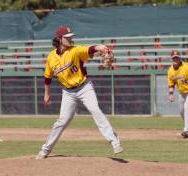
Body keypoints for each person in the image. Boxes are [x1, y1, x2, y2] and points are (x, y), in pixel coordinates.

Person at [36, 26, 123, 159]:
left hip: (84, 88)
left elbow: (91, 48)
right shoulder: (51, 57)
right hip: (68, 93)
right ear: (60, 39)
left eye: (71, 36)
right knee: (62, 121)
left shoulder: (75, 50)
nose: (71, 38)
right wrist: (46, 94)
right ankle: (45, 150)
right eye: (67, 37)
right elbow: (47, 77)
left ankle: (114, 142)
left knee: (95, 110)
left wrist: (102, 48)